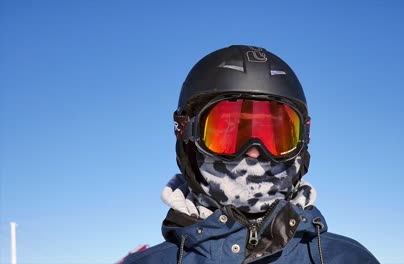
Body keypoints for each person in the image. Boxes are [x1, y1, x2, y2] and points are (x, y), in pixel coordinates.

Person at [122, 45, 379, 264]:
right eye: (229, 132)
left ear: (302, 145)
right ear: (188, 140)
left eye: (276, 136)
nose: (254, 152)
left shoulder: (347, 258)